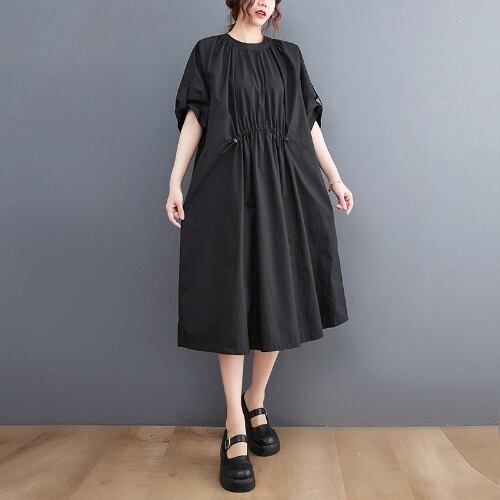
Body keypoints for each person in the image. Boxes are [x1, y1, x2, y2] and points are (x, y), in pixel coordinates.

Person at [166, 0, 353, 492]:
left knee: (277, 297)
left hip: (286, 186)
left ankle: (256, 398)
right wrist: (175, 181)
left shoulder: (289, 56)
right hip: (227, 187)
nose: (264, 2)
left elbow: (308, 123)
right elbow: (196, 119)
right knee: (232, 301)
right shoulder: (208, 53)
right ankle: (234, 424)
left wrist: (334, 178)